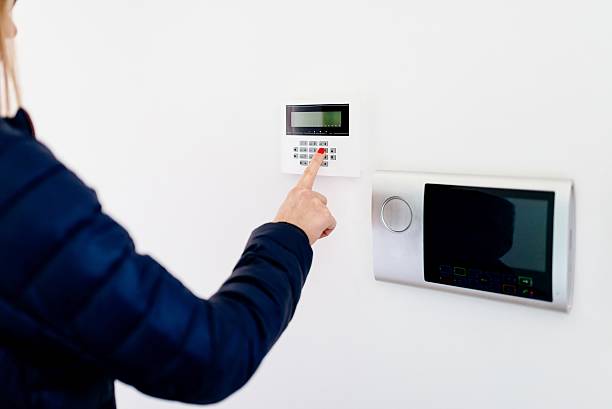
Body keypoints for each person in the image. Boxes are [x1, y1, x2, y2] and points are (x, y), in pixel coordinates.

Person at [0, 1, 337, 408]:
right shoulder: (16, 183)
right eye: (9, 10)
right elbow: (210, 357)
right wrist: (291, 234)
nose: (13, 31)